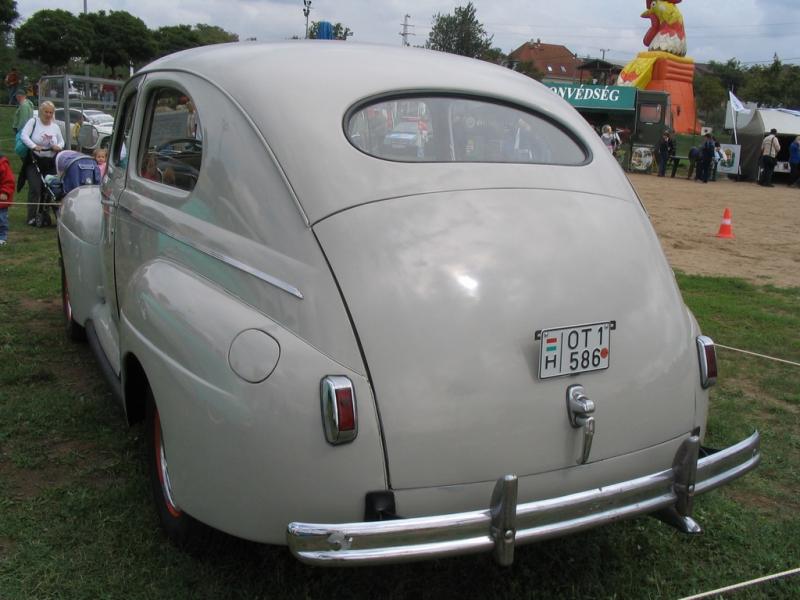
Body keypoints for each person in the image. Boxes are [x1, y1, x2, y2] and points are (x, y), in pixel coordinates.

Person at [17, 100, 64, 225]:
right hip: (34, 160)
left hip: (50, 161)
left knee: (49, 188)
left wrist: (57, 146)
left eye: (51, 112)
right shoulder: (33, 122)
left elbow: (61, 142)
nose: (48, 115)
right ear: (41, 111)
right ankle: (31, 216)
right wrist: (33, 146)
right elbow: (24, 136)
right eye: (46, 112)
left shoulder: (55, 126)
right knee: (35, 188)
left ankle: (44, 214)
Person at [0, 151, 15, 246]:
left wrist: (5, 192)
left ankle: (2, 237)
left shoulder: (2, 164)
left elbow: (9, 181)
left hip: (1, 200)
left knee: (1, 219)